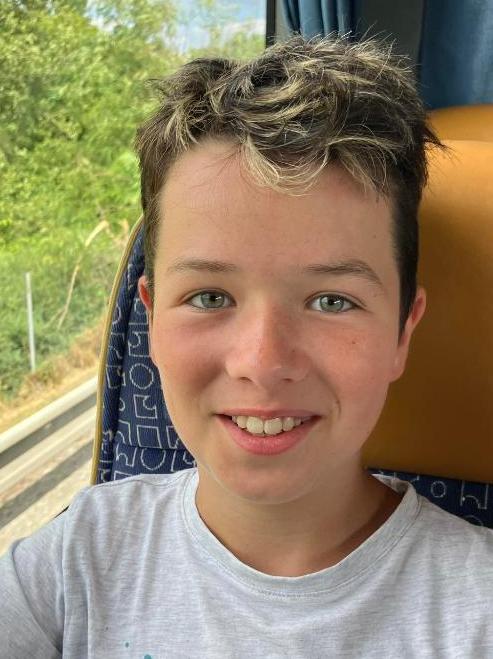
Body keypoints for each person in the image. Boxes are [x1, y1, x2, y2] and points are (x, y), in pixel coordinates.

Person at [1, 34, 492, 658]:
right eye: (209, 297)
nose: (262, 363)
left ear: (402, 332)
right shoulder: (77, 561)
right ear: (150, 322)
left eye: (331, 301)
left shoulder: (477, 608)